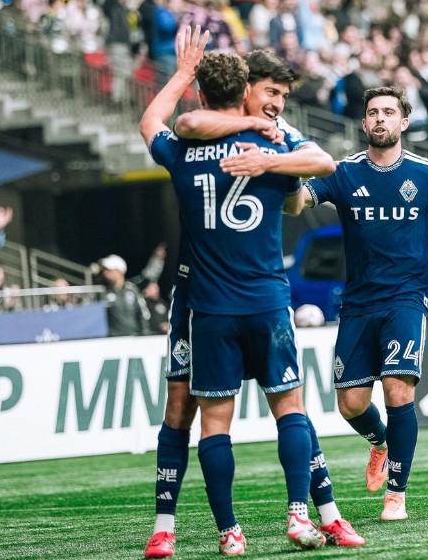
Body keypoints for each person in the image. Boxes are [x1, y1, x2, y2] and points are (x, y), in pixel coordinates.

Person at [140, 27, 359, 557]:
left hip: (211, 304)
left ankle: (245, 528)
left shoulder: (196, 148)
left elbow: (160, 122)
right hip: (247, 300)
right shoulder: (269, 139)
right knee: (271, 407)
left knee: (220, 418)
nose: (278, 105)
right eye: (271, 94)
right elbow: (321, 168)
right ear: (244, 92)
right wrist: (267, 150)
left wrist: (184, 75)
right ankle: (182, 524)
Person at [284, 84, 428, 522]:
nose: (380, 119)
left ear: (403, 122)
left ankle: (397, 494)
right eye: (373, 112)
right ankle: (380, 443)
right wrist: (287, 173)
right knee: (350, 404)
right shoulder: (344, 172)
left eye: (389, 112)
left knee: (397, 388)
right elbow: (296, 206)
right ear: (364, 121)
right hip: (357, 304)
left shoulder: (426, 174)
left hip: (406, 299)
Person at [98, 254, 149, 337]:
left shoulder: (132, 290)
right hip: (113, 339)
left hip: (134, 337)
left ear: (119, 271)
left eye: (109, 269)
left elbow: (143, 314)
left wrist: (145, 334)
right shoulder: (103, 292)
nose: (105, 272)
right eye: (105, 270)